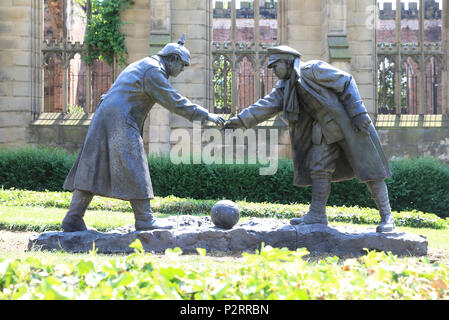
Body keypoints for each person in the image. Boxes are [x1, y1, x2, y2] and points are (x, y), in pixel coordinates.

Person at [62, 35, 225, 232]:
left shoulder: (145, 64)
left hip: (105, 117)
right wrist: (206, 114)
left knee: (93, 166)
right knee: (135, 164)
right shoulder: (153, 71)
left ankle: (73, 219)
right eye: (182, 65)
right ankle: (145, 219)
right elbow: (174, 101)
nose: (182, 70)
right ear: (173, 58)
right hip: (120, 120)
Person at [224, 45, 395, 232]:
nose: (273, 71)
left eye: (275, 66)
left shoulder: (312, 69)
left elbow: (346, 81)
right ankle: (317, 214)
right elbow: (265, 106)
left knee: (371, 169)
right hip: (322, 131)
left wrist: (358, 113)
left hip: (348, 125)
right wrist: (238, 122)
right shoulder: (285, 87)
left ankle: (387, 217)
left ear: (287, 62)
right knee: (318, 167)